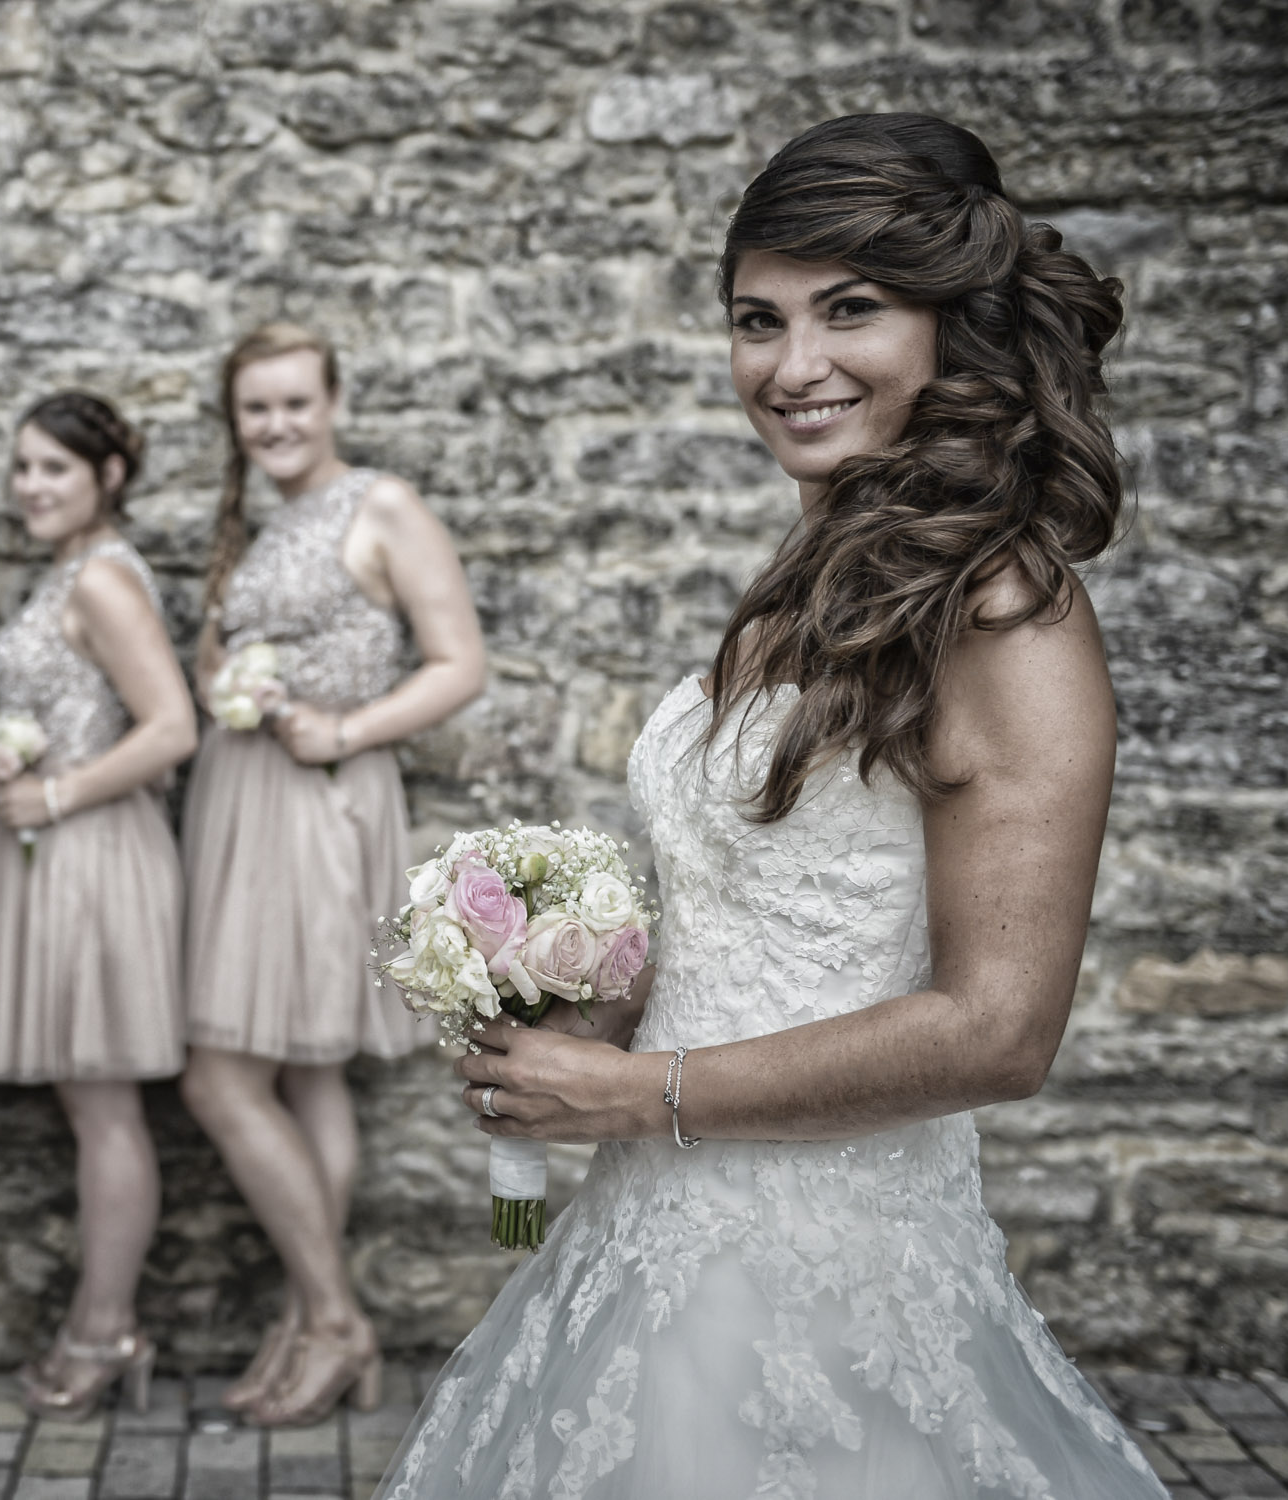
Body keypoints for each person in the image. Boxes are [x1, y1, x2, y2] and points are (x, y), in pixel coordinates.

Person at [375, 114, 1166, 1498]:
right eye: (757, 319)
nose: (791, 368)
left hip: (822, 1254)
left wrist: (640, 1090)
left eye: (847, 310)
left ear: (951, 327)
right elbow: (770, 901)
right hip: (656, 1220)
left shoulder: (1005, 614)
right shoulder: (825, 564)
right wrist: (600, 1004)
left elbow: (999, 1029)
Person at [179, 323, 488, 1427]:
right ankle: (309, 1320)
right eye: (253, 409)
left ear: (333, 399)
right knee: (303, 1074)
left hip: (317, 800)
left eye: (293, 403)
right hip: (240, 797)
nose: (274, 426)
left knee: (222, 1076)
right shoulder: (263, 526)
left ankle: (333, 1317)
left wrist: (347, 727)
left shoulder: (383, 505)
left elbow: (459, 664)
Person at [0, 392, 199, 1419]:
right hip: (56, 857)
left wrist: (51, 791)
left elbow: (170, 728)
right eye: (21, 467)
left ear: (107, 477)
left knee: (103, 1104)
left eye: (52, 468)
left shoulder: (103, 581)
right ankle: (102, 1322)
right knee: (83, 1100)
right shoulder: (72, 573)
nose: (29, 486)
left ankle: (106, 1330)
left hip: (95, 853)